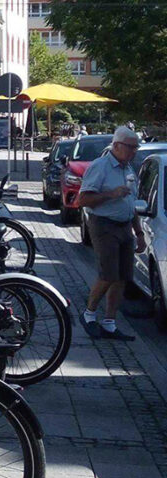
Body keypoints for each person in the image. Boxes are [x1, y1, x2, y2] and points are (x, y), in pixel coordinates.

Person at [76, 125, 143, 340]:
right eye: (130, 147)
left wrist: (139, 232)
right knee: (108, 274)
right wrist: (111, 194)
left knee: (122, 277)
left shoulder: (128, 169)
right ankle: (88, 314)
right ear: (116, 145)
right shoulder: (100, 167)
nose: (134, 151)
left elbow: (131, 203)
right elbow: (83, 200)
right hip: (104, 225)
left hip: (124, 226)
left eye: (136, 147)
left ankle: (110, 322)